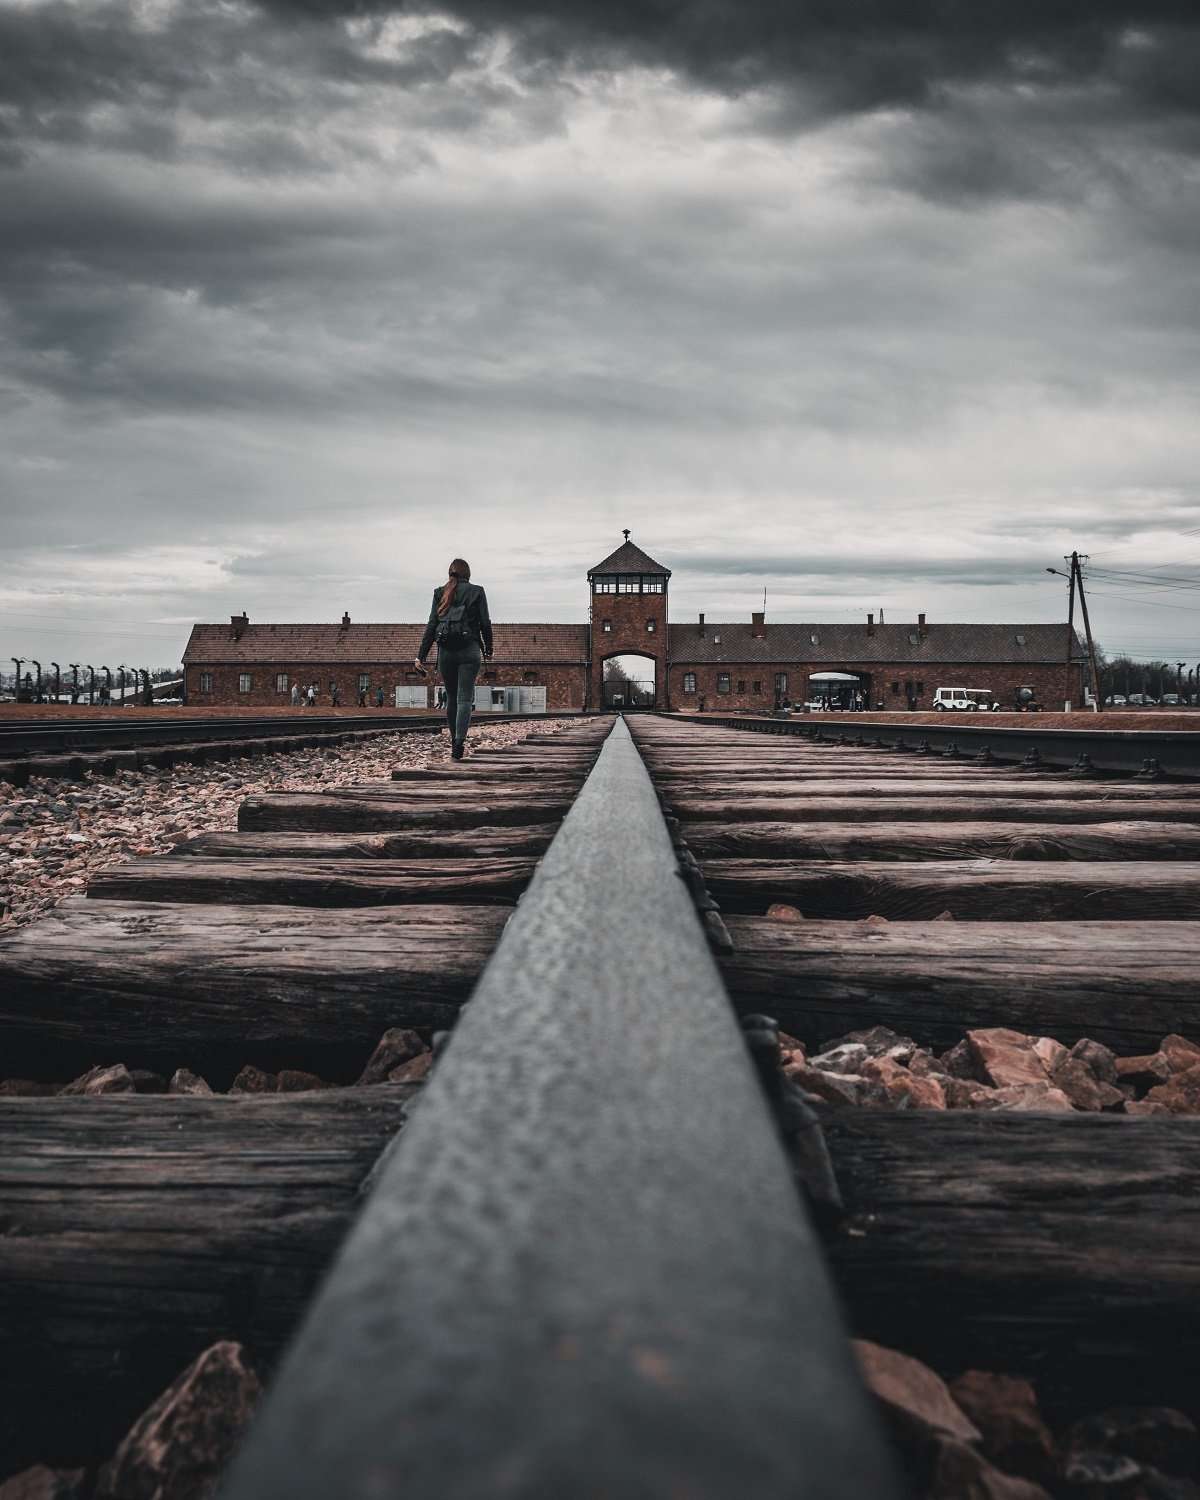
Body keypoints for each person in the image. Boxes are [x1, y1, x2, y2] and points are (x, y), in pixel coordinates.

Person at [416, 557, 493, 760]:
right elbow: (485, 623)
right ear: (468, 574)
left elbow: (432, 625)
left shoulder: (439, 592)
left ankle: (453, 741)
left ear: (450, 573)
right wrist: (489, 648)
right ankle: (459, 743)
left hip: (446, 652)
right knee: (464, 698)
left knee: (451, 698)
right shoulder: (477, 591)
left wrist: (420, 656)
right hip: (469, 650)